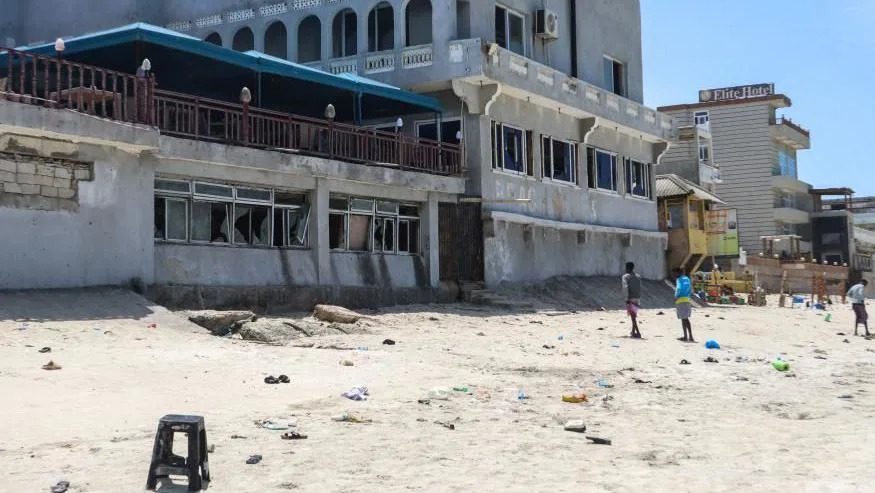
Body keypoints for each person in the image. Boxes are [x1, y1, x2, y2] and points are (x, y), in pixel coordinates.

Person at [673, 267, 694, 342]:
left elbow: (679, 288)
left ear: (678, 273)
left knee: (684, 319)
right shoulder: (687, 279)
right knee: (686, 318)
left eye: (675, 273)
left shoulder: (679, 279)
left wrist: (676, 296)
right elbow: (690, 289)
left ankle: (686, 336)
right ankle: (689, 336)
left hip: (681, 300)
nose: (674, 275)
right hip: (687, 300)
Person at [621, 262, 642, 339]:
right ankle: (633, 332)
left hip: (630, 297)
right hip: (637, 297)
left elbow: (625, 287)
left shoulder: (625, 277)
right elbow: (639, 287)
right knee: (634, 315)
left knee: (633, 316)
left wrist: (626, 298)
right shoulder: (638, 276)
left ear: (627, 268)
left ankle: (638, 332)